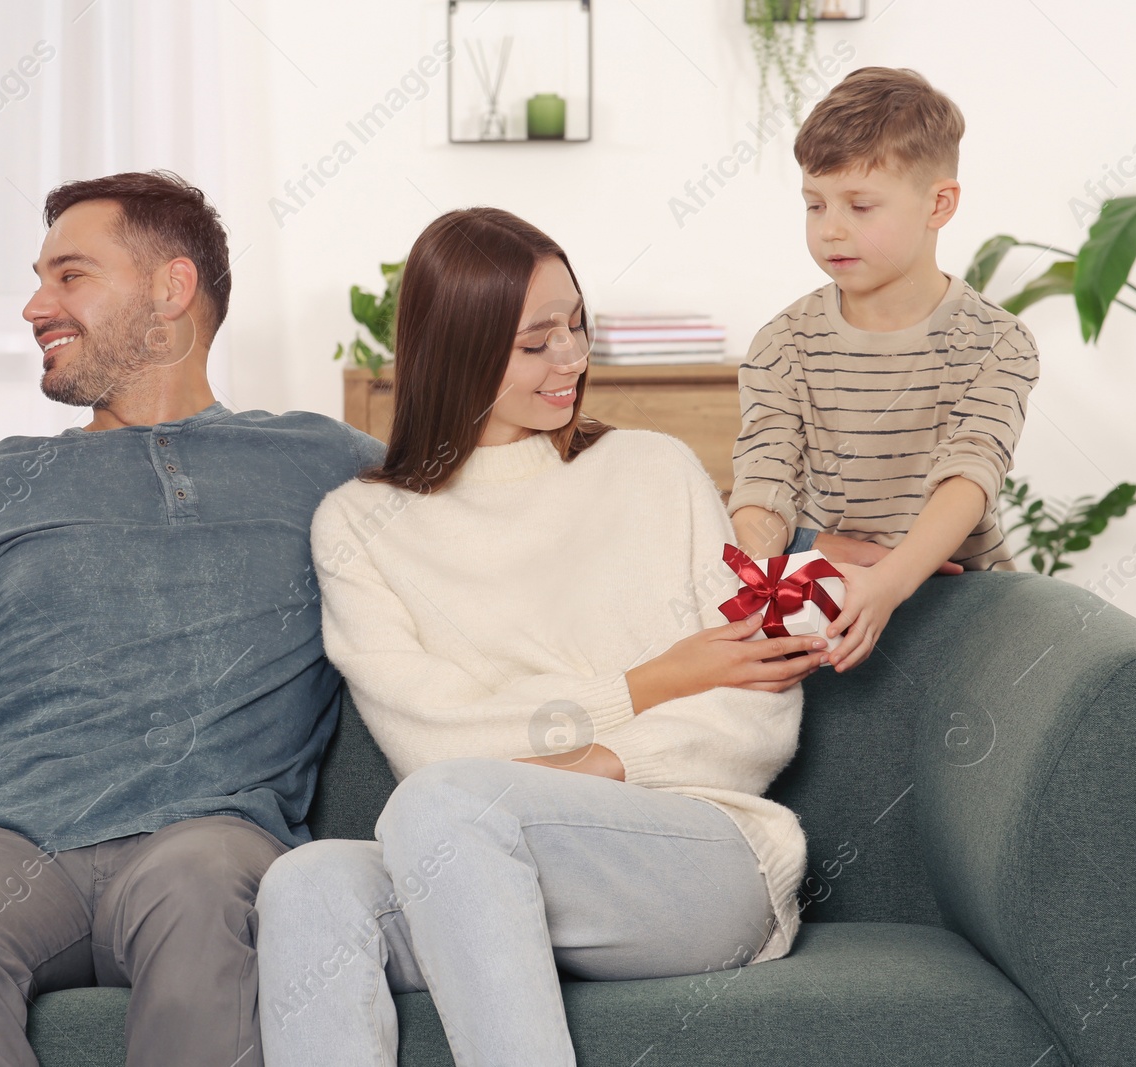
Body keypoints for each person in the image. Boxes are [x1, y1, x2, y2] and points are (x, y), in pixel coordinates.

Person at [0, 170, 384, 1067]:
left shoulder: (324, 462)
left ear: (172, 288)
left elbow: (482, 528)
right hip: (2, 836)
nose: (33, 305)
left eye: (69, 276)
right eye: (38, 279)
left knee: (203, 897)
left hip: (206, 835)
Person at [254, 207, 824, 1066]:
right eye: (536, 342)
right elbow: (431, 743)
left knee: (453, 808)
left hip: (702, 855)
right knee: (306, 882)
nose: (573, 359)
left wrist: (598, 764)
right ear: (457, 348)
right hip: (477, 866)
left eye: (577, 325)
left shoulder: (653, 471)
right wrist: (647, 682)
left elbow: (755, 705)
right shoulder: (361, 524)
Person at [728, 67, 1040, 671]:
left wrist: (889, 585)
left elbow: (970, 474)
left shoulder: (996, 341)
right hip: (829, 601)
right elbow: (764, 485)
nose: (831, 229)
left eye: (861, 206)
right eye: (815, 205)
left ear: (939, 204)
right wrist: (779, 573)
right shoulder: (782, 343)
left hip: (968, 608)